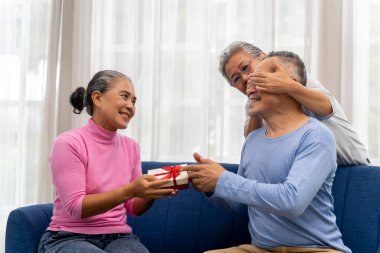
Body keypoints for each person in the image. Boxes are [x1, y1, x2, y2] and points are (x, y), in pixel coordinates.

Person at [183, 51, 351, 253]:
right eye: (241, 80)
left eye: (258, 80)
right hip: (261, 249)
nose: (248, 87)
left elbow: (292, 201)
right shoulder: (253, 139)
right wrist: (210, 184)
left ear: (290, 83)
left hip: (315, 249)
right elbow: (240, 204)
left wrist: (224, 180)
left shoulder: (316, 135)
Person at [38, 70, 176, 253]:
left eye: (134, 101)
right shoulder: (68, 143)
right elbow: (76, 207)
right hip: (68, 237)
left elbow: (134, 208)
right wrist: (131, 190)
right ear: (97, 98)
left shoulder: (131, 147)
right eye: (124, 96)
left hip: (119, 237)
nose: (131, 106)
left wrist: (151, 192)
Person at [218, 41, 369, 166]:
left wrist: (288, 85)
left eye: (245, 67)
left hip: (352, 167)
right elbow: (252, 143)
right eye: (236, 79)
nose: (244, 78)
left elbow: (327, 108)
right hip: (314, 172)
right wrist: (255, 102)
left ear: (263, 57)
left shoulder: (296, 78)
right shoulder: (253, 104)